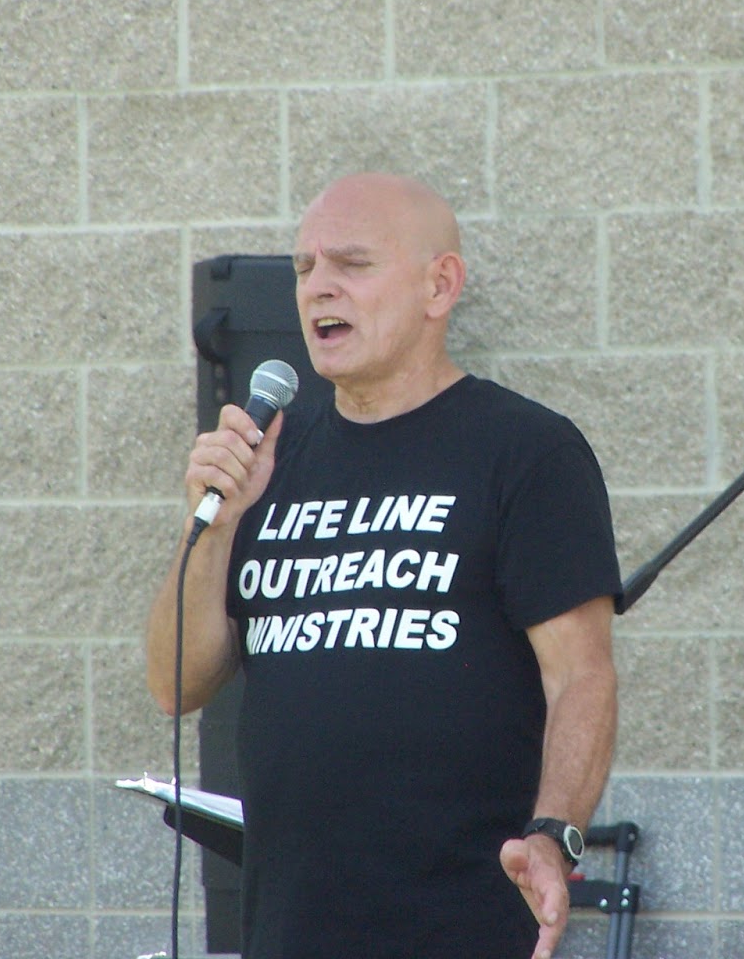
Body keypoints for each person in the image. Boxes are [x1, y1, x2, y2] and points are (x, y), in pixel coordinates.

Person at [145, 172, 621, 959]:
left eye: (352, 263)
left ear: (440, 286)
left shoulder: (526, 452)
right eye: (304, 268)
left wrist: (553, 834)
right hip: (289, 929)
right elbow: (175, 683)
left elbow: (583, 675)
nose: (318, 287)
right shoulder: (270, 457)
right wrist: (218, 527)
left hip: (459, 928)